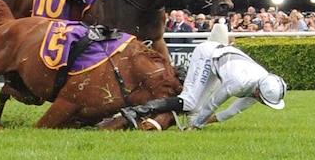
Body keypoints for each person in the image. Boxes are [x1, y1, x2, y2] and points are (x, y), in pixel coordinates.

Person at [120, 40, 287, 130]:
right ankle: (137, 111)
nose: (262, 102)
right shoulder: (239, 82)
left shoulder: (260, 86)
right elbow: (213, 104)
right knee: (190, 102)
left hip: (218, 65)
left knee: (194, 111)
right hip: (207, 54)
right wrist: (197, 126)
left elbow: (232, 111)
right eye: (263, 100)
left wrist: (204, 122)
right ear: (258, 91)